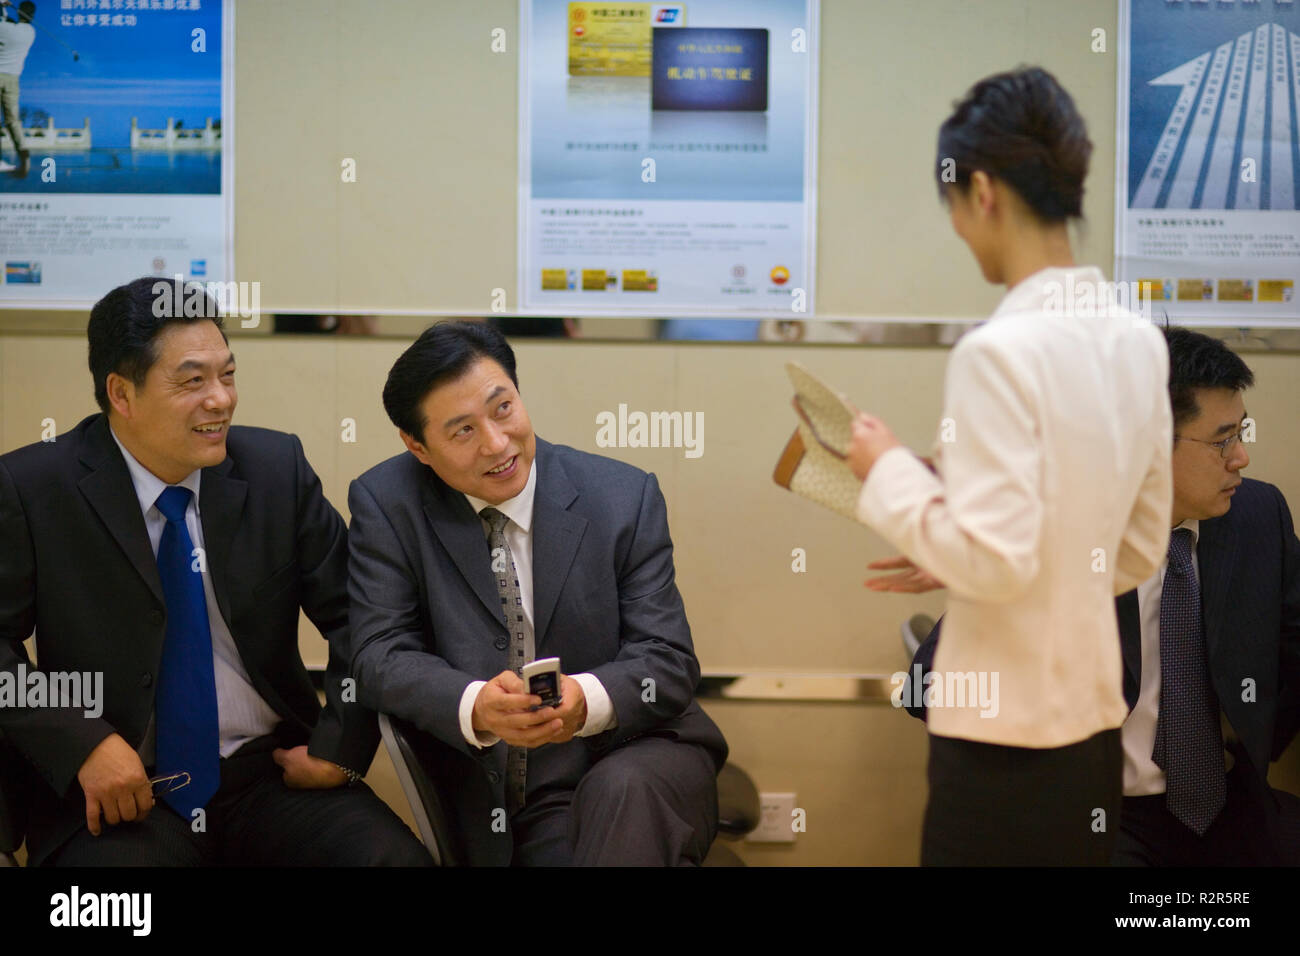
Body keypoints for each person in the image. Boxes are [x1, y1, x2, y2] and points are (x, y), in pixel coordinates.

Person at [844, 67, 1173, 865]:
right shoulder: (1136, 339)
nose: (958, 227)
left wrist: (887, 469)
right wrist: (967, 533)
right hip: (1095, 730)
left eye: (953, 205)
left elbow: (995, 562)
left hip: (997, 740)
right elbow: (1135, 550)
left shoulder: (997, 352)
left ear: (981, 191)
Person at [0, 277, 430, 866]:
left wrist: (342, 744)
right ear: (121, 394)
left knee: (390, 862)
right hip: (123, 787)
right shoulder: (33, 490)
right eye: (192, 381)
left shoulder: (277, 470)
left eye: (227, 375)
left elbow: (365, 614)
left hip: (268, 774)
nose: (221, 399)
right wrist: (83, 744)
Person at [898, 327, 1300, 865]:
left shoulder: (1257, 516)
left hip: (1230, 800)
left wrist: (1259, 745)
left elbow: (1294, 642)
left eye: (1241, 432)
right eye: (1222, 440)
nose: (1241, 458)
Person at [346, 320, 728, 866]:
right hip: (509, 792)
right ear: (417, 446)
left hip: (637, 751)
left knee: (621, 795)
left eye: (503, 409)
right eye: (462, 431)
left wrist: (586, 701)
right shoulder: (388, 503)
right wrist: (476, 704)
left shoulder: (622, 497)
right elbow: (379, 653)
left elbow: (666, 660)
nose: (497, 444)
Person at [0, 1, 35, 178]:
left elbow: (3, 21)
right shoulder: (30, 33)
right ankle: (24, 155)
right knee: (13, 121)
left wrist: (2, 5)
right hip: (13, 79)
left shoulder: (4, 28)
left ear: (19, 11)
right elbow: (6, 22)